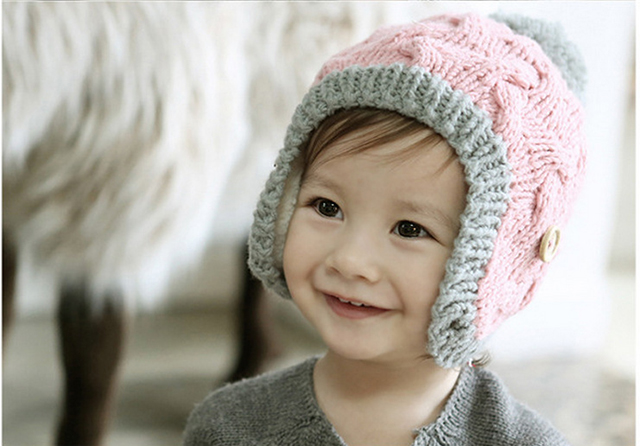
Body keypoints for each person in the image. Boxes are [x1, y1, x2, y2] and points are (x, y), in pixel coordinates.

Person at [184, 12, 586, 446]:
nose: (350, 260)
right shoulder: (228, 427)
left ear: (497, 263)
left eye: (410, 229)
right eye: (327, 207)